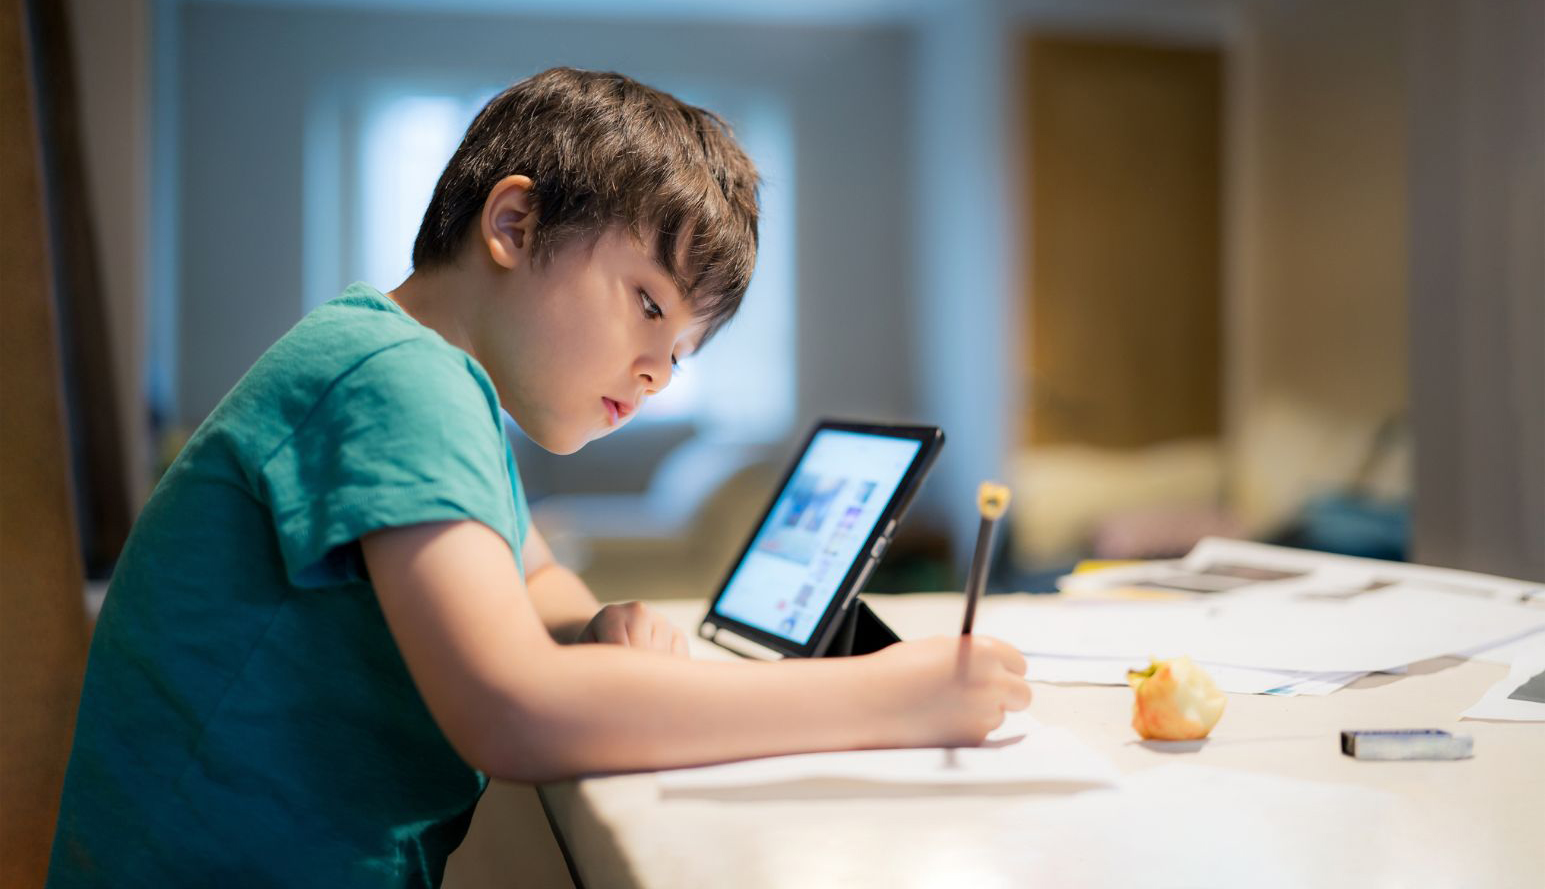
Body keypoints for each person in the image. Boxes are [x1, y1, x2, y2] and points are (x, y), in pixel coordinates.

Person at [48, 68, 1030, 887]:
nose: (657, 372)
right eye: (648, 303)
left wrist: (595, 625)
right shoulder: (398, 382)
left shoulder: (421, 374)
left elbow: (529, 571)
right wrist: (886, 699)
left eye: (683, 351)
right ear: (513, 224)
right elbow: (513, 713)